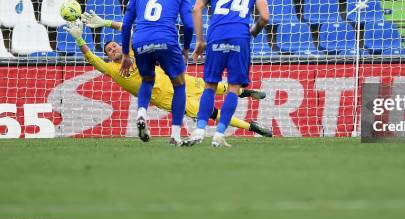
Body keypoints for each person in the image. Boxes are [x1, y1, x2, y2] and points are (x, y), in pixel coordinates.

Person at [62, 12, 272, 139]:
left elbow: (130, 29)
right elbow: (91, 59)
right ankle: (252, 126)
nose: (113, 49)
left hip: (177, 80)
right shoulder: (111, 69)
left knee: (214, 85)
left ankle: (246, 92)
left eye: (115, 45)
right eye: (109, 50)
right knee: (211, 113)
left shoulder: (133, 51)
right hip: (168, 98)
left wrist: (105, 23)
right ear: (107, 56)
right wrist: (80, 40)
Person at [185, 0, 269, 148]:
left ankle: (199, 130)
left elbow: (196, 8)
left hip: (216, 36)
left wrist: (200, 40)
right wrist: (253, 31)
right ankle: (220, 134)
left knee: (210, 86)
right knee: (233, 88)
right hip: (240, 38)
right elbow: (265, 17)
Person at [120, 0, 193, 146]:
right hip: (166, 40)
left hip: (141, 40)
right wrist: (185, 48)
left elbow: (127, 24)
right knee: (179, 85)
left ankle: (142, 113)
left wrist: (126, 54)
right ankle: (175, 135)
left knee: (147, 80)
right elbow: (190, 25)